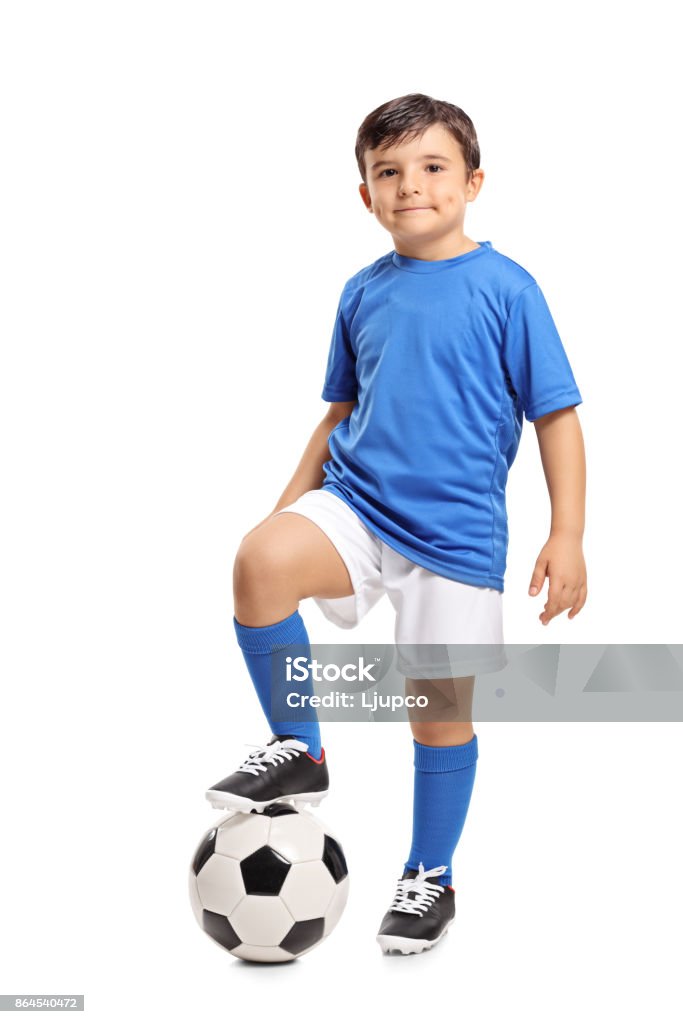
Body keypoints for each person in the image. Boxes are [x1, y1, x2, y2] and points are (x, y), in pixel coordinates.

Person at [206, 93, 587, 955]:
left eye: (430, 167)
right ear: (364, 194)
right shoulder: (361, 292)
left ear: (472, 181)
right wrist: (285, 511)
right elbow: (339, 412)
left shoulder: (506, 288)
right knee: (258, 563)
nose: (408, 185)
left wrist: (565, 534)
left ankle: (429, 876)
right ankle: (300, 748)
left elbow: (555, 417)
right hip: (359, 506)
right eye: (387, 172)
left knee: (436, 714)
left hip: (454, 537)